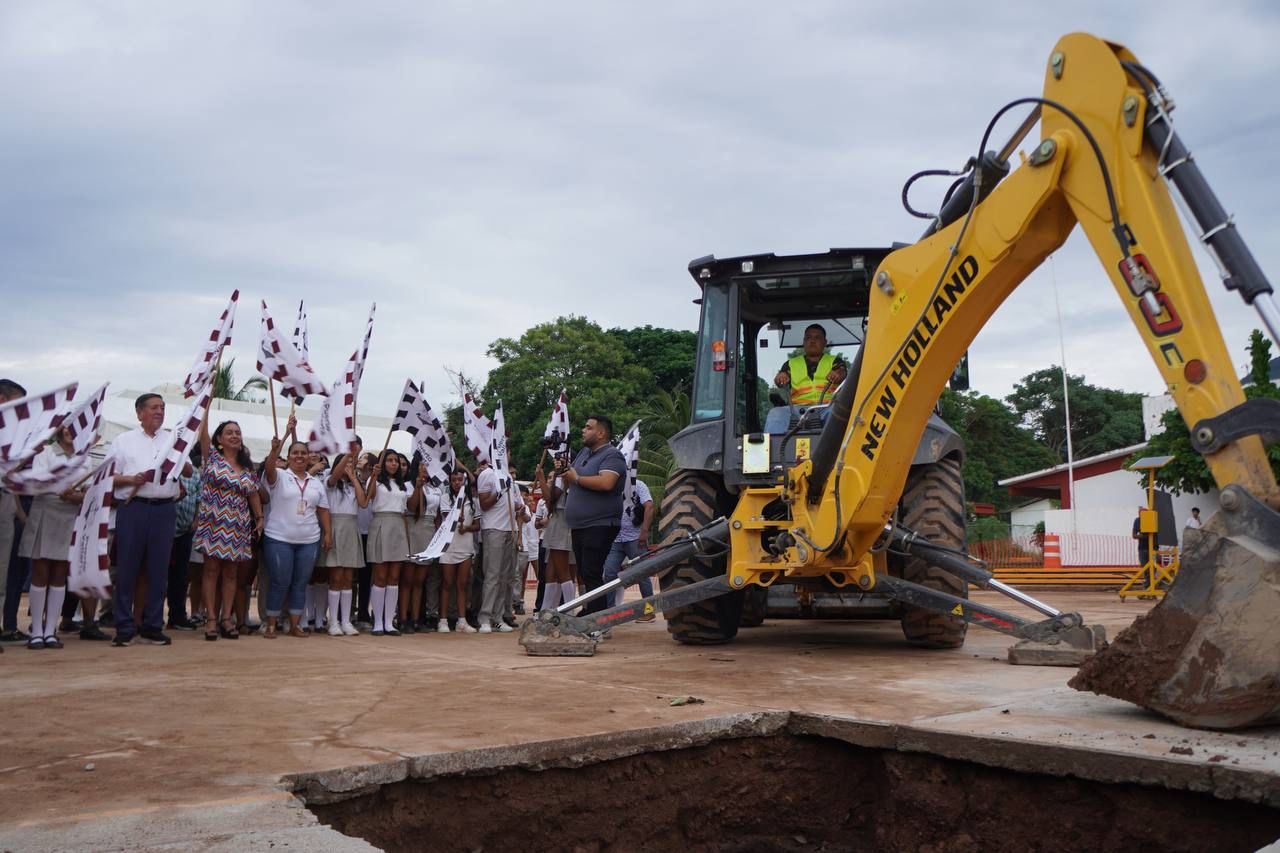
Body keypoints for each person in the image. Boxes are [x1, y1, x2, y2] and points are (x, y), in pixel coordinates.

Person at [108, 393, 193, 646]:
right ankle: (124, 626)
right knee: (127, 569)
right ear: (139, 412)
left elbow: (188, 470)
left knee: (158, 570)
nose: (159, 411)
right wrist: (130, 479)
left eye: (162, 408)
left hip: (165, 509)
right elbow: (109, 477)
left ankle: (152, 625)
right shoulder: (123, 441)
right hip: (133, 508)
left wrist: (180, 460)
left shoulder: (173, 440)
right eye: (154, 407)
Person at [17, 425, 90, 649]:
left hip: (70, 515)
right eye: (66, 427)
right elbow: (37, 482)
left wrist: (74, 496)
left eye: (75, 427)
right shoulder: (45, 453)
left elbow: (87, 491)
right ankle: (36, 631)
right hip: (45, 510)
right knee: (40, 571)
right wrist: (60, 488)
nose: (69, 431)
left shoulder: (83, 457)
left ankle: (51, 630)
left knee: (59, 573)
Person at [194, 418, 263, 641]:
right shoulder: (212, 457)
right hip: (213, 521)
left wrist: (259, 518)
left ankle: (226, 618)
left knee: (232, 572)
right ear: (220, 439)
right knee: (211, 570)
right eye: (229, 432)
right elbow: (201, 431)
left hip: (238, 524)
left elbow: (253, 493)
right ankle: (211, 619)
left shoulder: (246, 466)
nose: (234, 435)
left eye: (237, 432)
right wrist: (207, 402)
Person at [261, 431, 331, 638]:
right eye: (295, 453)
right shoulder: (279, 475)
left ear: (309, 456)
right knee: (279, 581)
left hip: (309, 540)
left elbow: (323, 510)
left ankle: (295, 625)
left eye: (303, 453)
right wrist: (275, 449)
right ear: (289, 456)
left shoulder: (316, 483)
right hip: (278, 538)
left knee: (300, 583)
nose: (299, 456)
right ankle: (272, 624)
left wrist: (328, 533)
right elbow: (268, 469)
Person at [559, 415, 627, 617]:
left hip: (600, 523)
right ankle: (592, 612)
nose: (583, 430)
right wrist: (565, 474)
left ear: (601, 433)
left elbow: (606, 483)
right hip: (581, 525)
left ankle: (597, 619)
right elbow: (571, 482)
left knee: (591, 571)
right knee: (585, 572)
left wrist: (577, 478)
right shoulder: (583, 453)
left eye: (588, 427)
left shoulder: (612, 455)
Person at [316, 450, 368, 636]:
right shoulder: (329, 482)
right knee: (336, 577)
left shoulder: (355, 484)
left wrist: (354, 478)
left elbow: (363, 503)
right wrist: (348, 456)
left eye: (353, 463)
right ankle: (333, 622)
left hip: (351, 528)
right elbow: (334, 476)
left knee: (348, 578)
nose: (349, 466)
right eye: (346, 463)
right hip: (336, 526)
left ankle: (346, 621)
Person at [476, 459, 529, 634]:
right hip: (493, 529)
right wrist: (498, 492)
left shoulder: (509, 478)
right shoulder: (487, 474)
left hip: (510, 530)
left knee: (505, 576)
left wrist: (521, 509)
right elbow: (484, 504)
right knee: (492, 575)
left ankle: (497, 617)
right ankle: (485, 617)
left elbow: (518, 505)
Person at [365, 449, 410, 636]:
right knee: (380, 576)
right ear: (382, 463)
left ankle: (389, 621)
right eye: (389, 460)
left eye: (396, 461)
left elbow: (404, 511)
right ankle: (377, 622)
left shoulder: (402, 485)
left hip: (398, 525)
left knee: (394, 577)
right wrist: (374, 476)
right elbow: (369, 497)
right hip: (381, 523)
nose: (393, 464)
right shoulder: (375, 480)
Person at [0, 378, 27, 647]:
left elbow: (13, 479)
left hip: (6, 504)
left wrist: (19, 513)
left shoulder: (13, 437)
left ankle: (5, 626)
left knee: (4, 570)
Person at [602, 477, 655, 614]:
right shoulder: (611, 485)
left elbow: (649, 506)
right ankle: (610, 611)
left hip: (635, 538)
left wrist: (644, 530)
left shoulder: (639, 485)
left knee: (642, 573)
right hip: (616, 538)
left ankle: (649, 611)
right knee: (609, 573)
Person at [437, 467, 480, 633]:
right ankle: (443, 621)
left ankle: (462, 621)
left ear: (464, 482)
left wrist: (467, 528)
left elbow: (477, 525)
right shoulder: (445, 498)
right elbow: (447, 518)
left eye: (460, 480)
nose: (457, 483)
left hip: (465, 546)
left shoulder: (472, 501)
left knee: (462, 584)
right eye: (454, 480)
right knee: (447, 583)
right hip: (448, 546)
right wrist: (457, 517)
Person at [401, 455, 440, 634]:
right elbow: (412, 507)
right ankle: (403, 618)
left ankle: (417, 619)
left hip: (429, 530)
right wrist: (417, 487)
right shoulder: (407, 486)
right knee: (408, 579)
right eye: (422, 464)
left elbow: (436, 513)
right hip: (412, 527)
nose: (425, 467)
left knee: (420, 580)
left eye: (428, 464)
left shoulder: (434, 488)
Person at [533, 457, 576, 612]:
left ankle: (569, 611)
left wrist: (541, 478)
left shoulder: (565, 476)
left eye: (561, 459)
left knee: (563, 571)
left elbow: (550, 500)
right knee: (551, 571)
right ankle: (547, 610)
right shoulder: (564, 475)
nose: (557, 462)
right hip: (559, 521)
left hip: (561, 522)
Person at [167, 446, 203, 632]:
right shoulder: (167, 467)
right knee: (157, 575)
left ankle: (177, 616)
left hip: (186, 531)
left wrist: (196, 519)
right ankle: (149, 616)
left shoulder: (195, 472)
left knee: (180, 577)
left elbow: (199, 498)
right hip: (164, 530)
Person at [772, 323, 848, 406]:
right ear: (804, 342)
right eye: (808, 338)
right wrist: (779, 378)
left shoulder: (835, 361)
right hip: (797, 410)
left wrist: (838, 374)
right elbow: (780, 379)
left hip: (828, 408)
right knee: (775, 414)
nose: (812, 341)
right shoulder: (790, 364)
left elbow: (842, 372)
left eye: (817, 338)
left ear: (825, 342)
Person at [302, 450, 331, 632]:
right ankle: (305, 617)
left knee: (321, 573)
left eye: (317, 452)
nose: (313, 454)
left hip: (324, 525)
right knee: (306, 575)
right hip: (303, 526)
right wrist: (311, 470)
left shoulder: (327, 474)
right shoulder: (295, 473)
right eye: (309, 451)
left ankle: (320, 618)